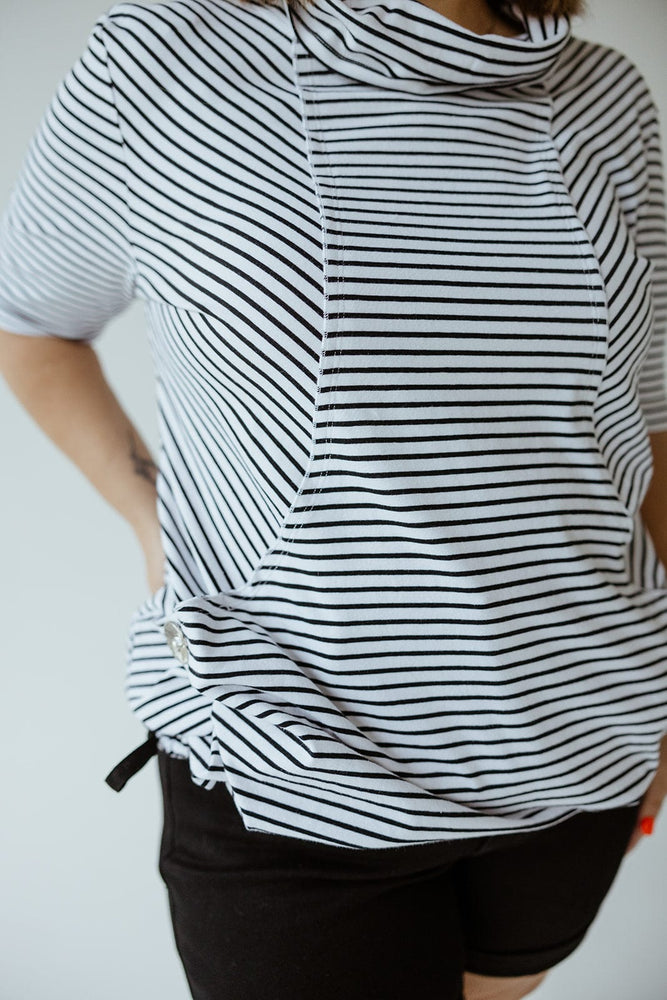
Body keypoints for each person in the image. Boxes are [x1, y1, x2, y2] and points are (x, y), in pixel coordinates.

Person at [1, 0, 666, 996]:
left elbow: (642, 423)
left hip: (576, 750)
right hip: (287, 764)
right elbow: (31, 326)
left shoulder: (605, 94)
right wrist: (151, 519)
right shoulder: (168, 55)